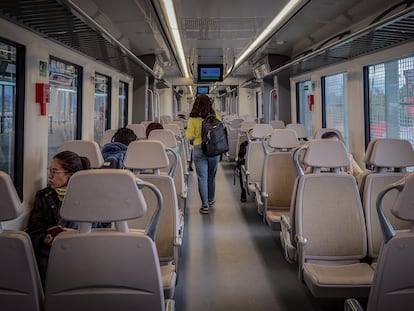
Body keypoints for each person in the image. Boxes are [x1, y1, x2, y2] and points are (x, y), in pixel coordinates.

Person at [25, 150, 92, 287]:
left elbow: (101, 229)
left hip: (83, 250)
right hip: (52, 252)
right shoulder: (43, 196)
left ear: (71, 175)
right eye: (50, 170)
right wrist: (44, 238)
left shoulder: (89, 197)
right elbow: (34, 229)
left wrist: (76, 234)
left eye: (54, 172)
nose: (49, 176)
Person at [186, 94, 221, 214]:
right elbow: (220, 131)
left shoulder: (192, 119)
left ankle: (204, 205)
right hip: (213, 149)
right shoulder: (215, 116)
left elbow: (189, 136)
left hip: (199, 148)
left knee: (202, 177)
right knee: (212, 176)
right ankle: (211, 200)